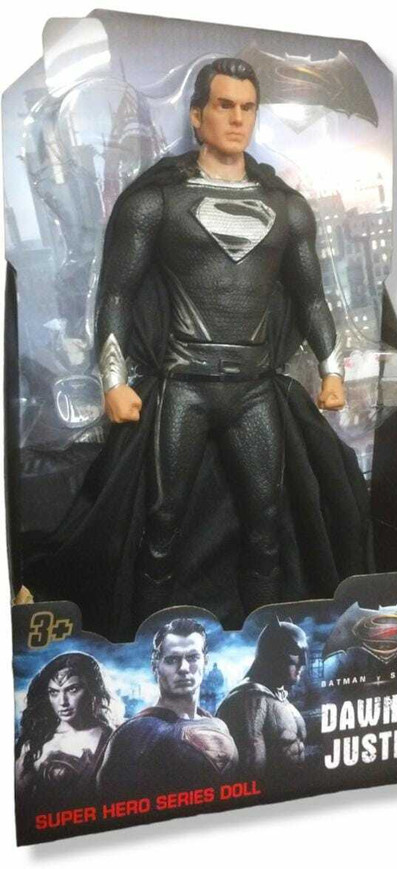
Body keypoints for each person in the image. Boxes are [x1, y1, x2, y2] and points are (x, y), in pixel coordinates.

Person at [30, 57, 373, 639]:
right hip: (182, 386)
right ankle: (143, 643)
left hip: (253, 389)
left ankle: (264, 642)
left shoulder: (286, 208)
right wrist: (114, 381)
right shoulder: (156, 202)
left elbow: (312, 298)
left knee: (266, 524)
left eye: (248, 108)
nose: (237, 119)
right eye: (224, 105)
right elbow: (117, 293)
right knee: (161, 524)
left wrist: (331, 370)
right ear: (197, 115)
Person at [97, 617, 238, 799]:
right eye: (172, 660)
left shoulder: (219, 725)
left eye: (193, 657)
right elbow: (109, 801)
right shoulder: (135, 733)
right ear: (155, 665)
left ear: (205, 661)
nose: (184, 668)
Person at [15, 652, 116, 811]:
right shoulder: (35, 742)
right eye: (54, 692)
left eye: (72, 689)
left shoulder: (112, 738)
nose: (62, 702)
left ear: (92, 690)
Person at [217, 617, 308, 779]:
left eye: (304, 653)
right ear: (272, 654)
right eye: (295, 652)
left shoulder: (278, 696)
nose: (304, 662)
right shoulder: (251, 699)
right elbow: (251, 770)